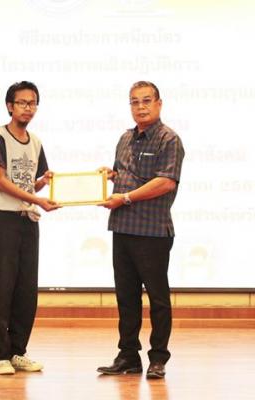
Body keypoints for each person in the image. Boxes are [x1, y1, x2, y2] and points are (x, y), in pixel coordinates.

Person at [97, 81, 185, 379]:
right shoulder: (125, 138)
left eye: (146, 100)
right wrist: (110, 176)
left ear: (159, 103)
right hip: (122, 227)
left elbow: (166, 182)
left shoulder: (168, 139)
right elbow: (125, 174)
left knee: (157, 298)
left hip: (153, 231)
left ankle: (158, 358)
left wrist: (125, 197)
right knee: (126, 297)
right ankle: (128, 356)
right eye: (134, 102)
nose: (141, 107)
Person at [0, 81, 59, 375]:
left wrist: (44, 182)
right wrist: (37, 199)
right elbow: (2, 182)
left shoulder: (36, 141)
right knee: (5, 288)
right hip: (3, 221)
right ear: (10, 106)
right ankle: (0, 355)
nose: (28, 108)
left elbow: (29, 184)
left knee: (27, 290)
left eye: (33, 103)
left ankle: (18, 352)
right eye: (22, 103)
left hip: (27, 221)